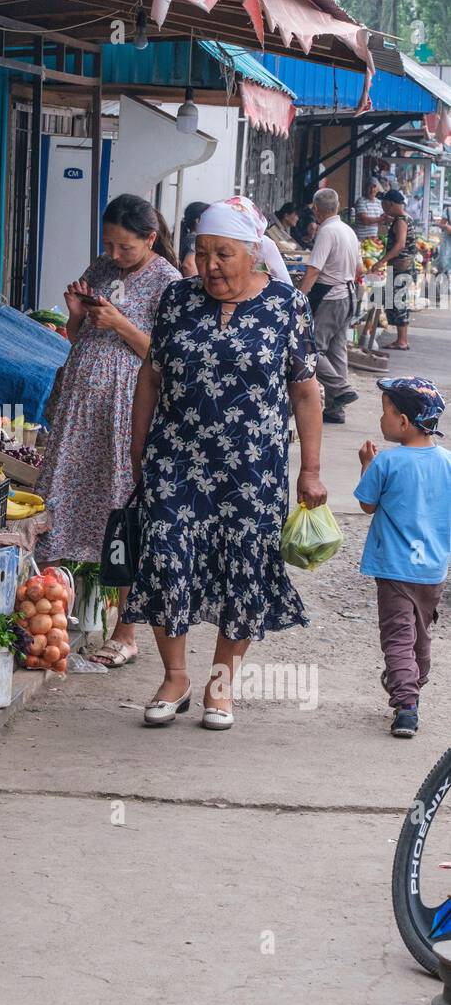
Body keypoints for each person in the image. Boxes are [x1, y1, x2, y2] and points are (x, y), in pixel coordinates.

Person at [124, 195, 326, 731]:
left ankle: (221, 686)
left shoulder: (286, 305)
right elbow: (151, 375)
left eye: (224, 254)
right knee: (166, 557)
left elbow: (306, 393)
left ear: (254, 254)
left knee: (243, 568)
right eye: (203, 252)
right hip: (176, 457)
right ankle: (175, 677)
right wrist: (136, 448)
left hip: (252, 468)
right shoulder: (176, 300)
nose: (210, 265)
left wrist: (310, 468)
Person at [37, 194, 180, 667]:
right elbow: (77, 337)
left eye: (124, 248)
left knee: (121, 510)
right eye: (108, 245)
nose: (113, 255)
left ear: (151, 239)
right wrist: (76, 311)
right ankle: (45, 613)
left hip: (127, 409)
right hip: (81, 403)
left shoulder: (168, 282)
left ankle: (127, 631)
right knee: (59, 496)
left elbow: (165, 357)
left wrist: (119, 322)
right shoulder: (102, 266)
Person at [355, 378, 451, 739]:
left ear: (404, 421)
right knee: (420, 635)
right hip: (432, 568)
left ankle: (406, 704)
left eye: (385, 412)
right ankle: (412, 680)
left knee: (397, 636)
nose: (380, 420)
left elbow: (367, 504)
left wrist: (367, 464)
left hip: (394, 567)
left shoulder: (387, 462)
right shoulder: (447, 462)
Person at [297, 188, 362, 426]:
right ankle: (336, 409)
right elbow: (359, 270)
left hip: (331, 297)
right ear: (338, 205)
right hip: (348, 294)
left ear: (316, 209)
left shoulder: (327, 231)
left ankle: (341, 388)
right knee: (337, 351)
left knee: (312, 349)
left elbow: (314, 269)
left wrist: (299, 297)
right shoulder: (348, 230)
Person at [371, 188, 418, 352]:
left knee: (398, 302)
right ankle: (401, 339)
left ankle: (402, 341)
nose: (382, 206)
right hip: (404, 266)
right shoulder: (404, 218)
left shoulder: (400, 221)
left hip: (400, 267)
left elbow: (400, 245)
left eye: (383, 203)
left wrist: (381, 262)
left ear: (389, 203)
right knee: (396, 300)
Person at [178, 201, 208, 279]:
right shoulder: (194, 239)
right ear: (197, 220)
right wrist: (196, 286)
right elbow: (188, 264)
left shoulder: (187, 237)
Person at [354, 177, 383, 248]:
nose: (372, 190)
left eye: (374, 187)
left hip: (373, 241)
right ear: (365, 188)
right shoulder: (361, 201)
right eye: (370, 187)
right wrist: (382, 218)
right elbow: (365, 221)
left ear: (377, 189)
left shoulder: (379, 202)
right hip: (360, 240)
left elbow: (382, 221)